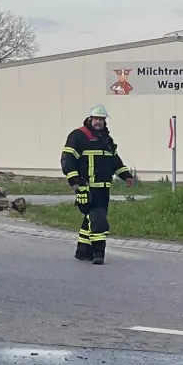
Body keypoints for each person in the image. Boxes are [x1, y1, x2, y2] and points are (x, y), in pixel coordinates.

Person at [61, 104, 136, 265]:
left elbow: (115, 161)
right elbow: (68, 160)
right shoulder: (78, 136)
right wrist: (76, 182)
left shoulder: (106, 139)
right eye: (96, 118)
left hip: (103, 189)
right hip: (86, 188)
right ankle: (98, 253)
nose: (98, 122)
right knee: (99, 220)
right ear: (90, 119)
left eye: (101, 119)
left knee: (91, 218)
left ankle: (83, 251)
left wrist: (126, 176)